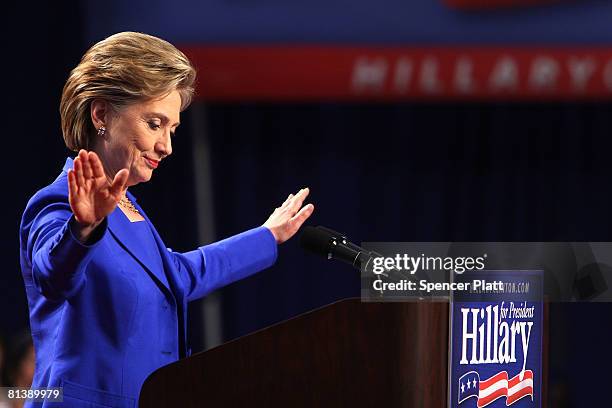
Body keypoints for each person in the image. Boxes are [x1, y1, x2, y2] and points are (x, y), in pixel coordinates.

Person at [18, 32, 314, 407]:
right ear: (101, 114)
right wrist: (83, 229)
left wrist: (267, 236)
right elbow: (53, 277)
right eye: (154, 124)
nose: (167, 146)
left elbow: (178, 274)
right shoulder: (58, 202)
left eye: (172, 129)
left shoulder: (130, 208)